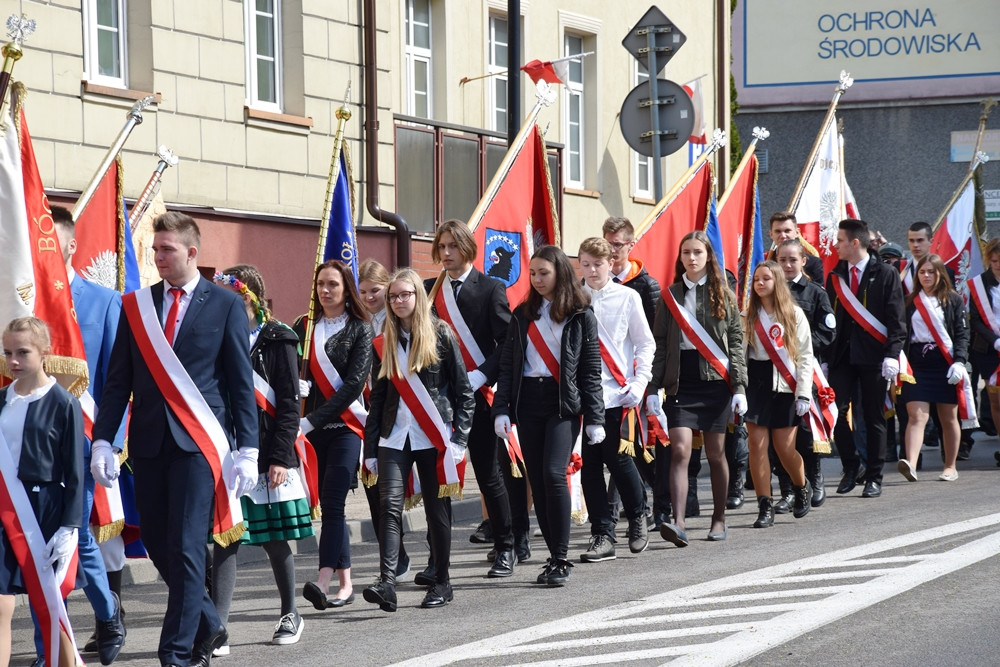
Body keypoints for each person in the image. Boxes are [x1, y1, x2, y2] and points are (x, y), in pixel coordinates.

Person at [91, 211, 259, 667]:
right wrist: (104, 440)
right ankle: (209, 621)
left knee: (186, 546)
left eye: (167, 249)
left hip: (198, 445)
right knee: (158, 544)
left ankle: (176, 653)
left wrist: (248, 448)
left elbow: (240, 384)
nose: (158, 257)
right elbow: (117, 382)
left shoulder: (224, 305)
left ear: (191, 252)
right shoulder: (137, 306)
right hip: (148, 443)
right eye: (155, 249)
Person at [210, 265, 314, 653]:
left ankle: (291, 612)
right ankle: (218, 627)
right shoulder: (217, 336)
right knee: (227, 537)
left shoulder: (278, 338)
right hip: (230, 451)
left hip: (268, 452)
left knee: (273, 538)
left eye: (231, 298)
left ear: (249, 299)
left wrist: (281, 457)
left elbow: (288, 403)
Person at [362, 269, 474, 611]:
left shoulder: (441, 334)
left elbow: (464, 392)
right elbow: (378, 399)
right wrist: (370, 448)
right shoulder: (385, 340)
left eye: (404, 294)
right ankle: (387, 583)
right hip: (394, 436)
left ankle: (442, 582)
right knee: (388, 507)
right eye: (393, 296)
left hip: (433, 436)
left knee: (437, 511)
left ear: (418, 296)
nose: (398, 301)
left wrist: (459, 440)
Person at [493, 246, 603, 586]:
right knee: (537, 480)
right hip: (528, 402)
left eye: (544, 273)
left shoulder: (580, 314)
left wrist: (595, 417)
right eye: (533, 273)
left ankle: (561, 558)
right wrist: (501, 408)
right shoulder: (522, 314)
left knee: (554, 473)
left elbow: (590, 370)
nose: (537, 279)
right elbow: (509, 365)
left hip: (562, 404)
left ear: (560, 273)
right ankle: (553, 556)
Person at [50, 206, 127, 666]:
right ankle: (54, 644)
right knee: (40, 540)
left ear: (72, 244)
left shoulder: (103, 301)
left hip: (85, 437)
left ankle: (107, 615)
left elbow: (118, 379)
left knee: (75, 534)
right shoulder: (25, 299)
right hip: (33, 442)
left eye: (53, 242)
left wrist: (111, 441)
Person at [424, 220, 522, 577]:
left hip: (478, 395)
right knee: (437, 480)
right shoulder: (429, 290)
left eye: (453, 246)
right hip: (438, 398)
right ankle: (437, 560)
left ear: (467, 247)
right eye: (442, 247)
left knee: (487, 474)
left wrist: (482, 374)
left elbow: (507, 342)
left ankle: (506, 546)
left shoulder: (491, 288)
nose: (446, 253)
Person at [647, 231, 747, 545]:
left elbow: (735, 343)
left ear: (708, 256)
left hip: (716, 382)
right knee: (679, 450)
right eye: (686, 252)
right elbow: (660, 344)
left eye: (697, 252)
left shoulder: (723, 294)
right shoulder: (670, 295)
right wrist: (653, 386)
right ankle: (678, 523)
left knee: (716, 454)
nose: (691, 258)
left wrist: (740, 387)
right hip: (682, 382)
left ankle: (718, 519)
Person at [0, 317, 83, 665]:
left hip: (44, 510)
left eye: (23, 352)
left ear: (45, 352)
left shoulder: (64, 403)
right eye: (7, 353)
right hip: (4, 510)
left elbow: (75, 472)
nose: (13, 361)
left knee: (49, 604)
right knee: (0, 604)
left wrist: (69, 526)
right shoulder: (2, 400)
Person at [295, 260, 373, 611]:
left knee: (334, 502)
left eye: (333, 285)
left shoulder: (360, 329)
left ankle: (323, 580)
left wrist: (311, 420)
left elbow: (354, 385)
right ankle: (346, 584)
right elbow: (288, 365)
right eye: (320, 284)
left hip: (346, 428)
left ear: (346, 290)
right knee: (329, 507)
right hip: (313, 433)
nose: (325, 291)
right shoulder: (304, 326)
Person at [576, 237, 654, 562]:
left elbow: (645, 343)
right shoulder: (572, 298)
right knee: (589, 468)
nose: (592, 271)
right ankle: (602, 534)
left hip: (617, 394)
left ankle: (637, 516)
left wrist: (640, 381)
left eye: (598, 264)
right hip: (582, 397)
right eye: (586, 264)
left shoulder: (628, 297)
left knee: (619, 460)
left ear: (611, 264)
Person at [825, 218, 906, 499]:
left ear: (855, 243)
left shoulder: (885, 273)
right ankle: (851, 466)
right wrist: (825, 358)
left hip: (874, 357)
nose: (835, 245)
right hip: (842, 357)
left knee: (873, 417)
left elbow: (896, 319)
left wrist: (892, 355)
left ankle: (874, 476)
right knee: (834, 411)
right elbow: (831, 320)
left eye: (840, 240)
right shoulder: (836, 275)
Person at [742, 261, 815, 527]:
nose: (760, 283)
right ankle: (764, 505)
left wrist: (803, 394)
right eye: (756, 279)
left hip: (785, 383)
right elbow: (739, 356)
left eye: (766, 279)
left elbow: (805, 356)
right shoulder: (746, 315)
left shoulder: (794, 314)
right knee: (756, 445)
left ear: (777, 282)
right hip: (756, 383)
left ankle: (801, 485)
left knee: (784, 448)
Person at [898, 255, 970, 483]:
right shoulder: (910, 301)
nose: (926, 276)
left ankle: (950, 466)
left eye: (931, 271)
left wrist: (960, 361)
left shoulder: (953, 300)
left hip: (945, 363)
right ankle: (911, 463)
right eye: (922, 272)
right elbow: (901, 333)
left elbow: (962, 333)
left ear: (940, 273)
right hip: (918, 363)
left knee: (948, 418)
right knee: (916, 415)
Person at [775, 239, 837, 508]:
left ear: (803, 261)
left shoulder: (815, 293)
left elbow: (828, 331)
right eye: (782, 260)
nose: (787, 265)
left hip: (804, 371)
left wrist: (800, 346)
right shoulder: (769, 290)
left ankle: (815, 477)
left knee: (804, 430)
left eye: (792, 260)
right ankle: (787, 490)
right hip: (774, 372)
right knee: (778, 433)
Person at [968, 238, 1000, 441]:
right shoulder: (978, 284)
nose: (998, 265)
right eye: (994, 260)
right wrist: (994, 340)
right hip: (988, 350)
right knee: (996, 400)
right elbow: (975, 320)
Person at [767, 212, 824, 284]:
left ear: (797, 232)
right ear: (771, 234)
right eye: (778, 231)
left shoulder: (813, 264)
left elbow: (817, 290)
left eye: (787, 231)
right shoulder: (764, 261)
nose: (783, 236)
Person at [359, 258, 390, 333]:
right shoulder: (355, 318)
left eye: (375, 291)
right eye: (363, 292)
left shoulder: (397, 317)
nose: (369, 297)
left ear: (387, 287)